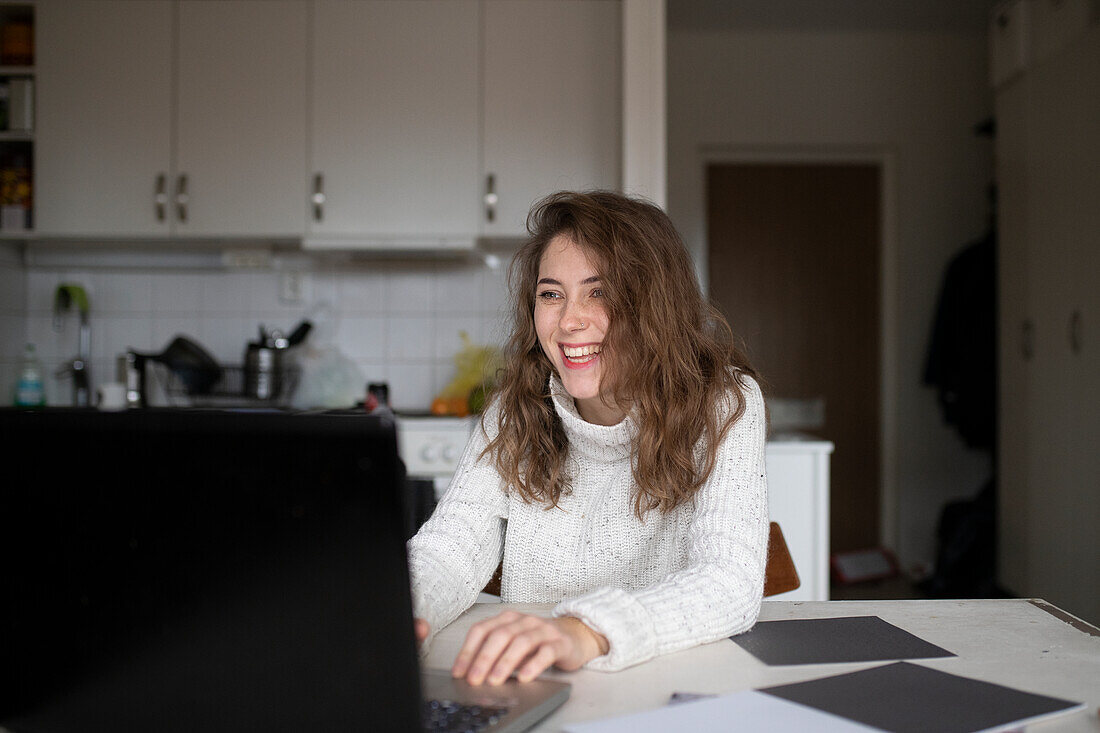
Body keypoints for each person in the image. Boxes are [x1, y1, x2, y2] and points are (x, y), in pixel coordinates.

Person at [407, 190, 768, 686]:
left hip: (674, 685)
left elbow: (729, 582)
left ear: (655, 305)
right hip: (535, 684)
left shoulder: (724, 402)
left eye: (599, 292)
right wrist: (402, 609)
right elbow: (449, 549)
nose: (569, 320)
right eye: (551, 294)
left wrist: (583, 632)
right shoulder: (512, 410)